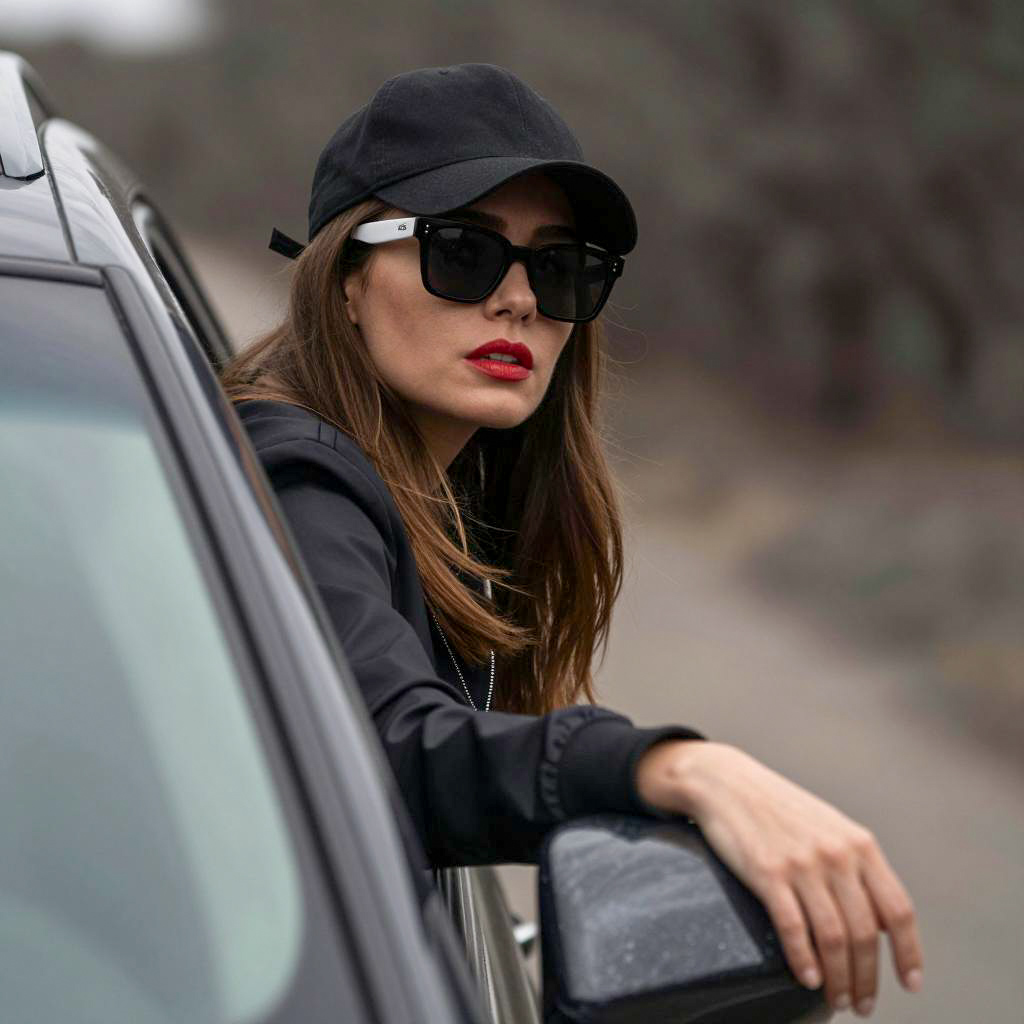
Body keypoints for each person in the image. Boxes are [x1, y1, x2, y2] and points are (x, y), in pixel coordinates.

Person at [219, 63, 923, 1018]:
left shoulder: (446, 491)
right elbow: (370, 750)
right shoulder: (297, 475)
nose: (519, 301)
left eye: (559, 268)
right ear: (346, 277)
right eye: (463, 252)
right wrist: (671, 767)